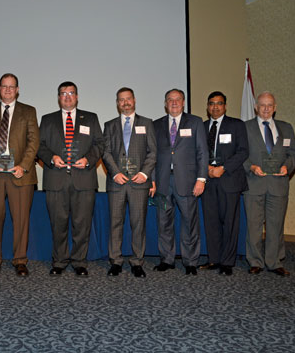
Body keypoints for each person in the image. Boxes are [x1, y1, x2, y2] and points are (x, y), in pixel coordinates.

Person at [38, 81, 104, 277]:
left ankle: (79, 262)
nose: (67, 97)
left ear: (77, 96)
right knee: (58, 224)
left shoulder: (90, 118)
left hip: (83, 179)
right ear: (59, 97)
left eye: (71, 93)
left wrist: (88, 160)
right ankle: (59, 262)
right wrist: (51, 158)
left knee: (81, 224)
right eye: (63, 93)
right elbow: (39, 146)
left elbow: (100, 144)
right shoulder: (48, 119)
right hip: (56, 180)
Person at [0, 73, 39, 277]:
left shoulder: (28, 112)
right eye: (4, 86)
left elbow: (33, 142)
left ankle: (20, 260)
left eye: (12, 87)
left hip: (20, 175)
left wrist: (24, 166)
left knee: (21, 220)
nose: (8, 90)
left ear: (18, 89)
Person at [102, 87, 157, 277]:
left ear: (134, 100)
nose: (125, 102)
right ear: (117, 103)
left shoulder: (147, 123)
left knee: (138, 223)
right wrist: (115, 173)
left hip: (139, 182)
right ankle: (115, 261)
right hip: (117, 182)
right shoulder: (109, 125)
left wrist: (144, 173)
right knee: (115, 223)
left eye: (128, 99)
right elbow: (106, 152)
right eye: (121, 100)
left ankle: (137, 262)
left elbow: (153, 152)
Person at [152, 89, 208, 275]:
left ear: (183, 102)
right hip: (163, 182)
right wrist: (152, 181)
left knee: (190, 222)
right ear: (165, 103)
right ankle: (166, 260)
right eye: (170, 100)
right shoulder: (156, 125)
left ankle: (190, 261)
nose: (174, 103)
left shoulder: (195, 122)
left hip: (188, 182)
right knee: (164, 222)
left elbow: (202, 152)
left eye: (177, 100)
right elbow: (151, 155)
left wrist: (201, 179)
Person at [243, 92, 295, 277]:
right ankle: (255, 261)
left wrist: (287, 167)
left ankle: (274, 262)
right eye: (262, 105)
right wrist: (251, 166)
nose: (266, 108)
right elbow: (239, 155)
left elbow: (294, 154)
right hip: (254, 184)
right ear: (256, 107)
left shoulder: (286, 128)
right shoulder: (246, 127)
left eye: (269, 105)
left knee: (276, 225)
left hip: (278, 184)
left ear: (275, 107)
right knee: (254, 225)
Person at [199, 91, 248, 276]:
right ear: (207, 106)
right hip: (208, 180)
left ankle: (227, 262)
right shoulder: (202, 126)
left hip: (229, 180)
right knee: (211, 222)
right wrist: (207, 169)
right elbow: (196, 152)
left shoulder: (236, 125)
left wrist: (223, 168)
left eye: (219, 103)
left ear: (225, 106)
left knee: (230, 222)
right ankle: (214, 259)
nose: (215, 107)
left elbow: (243, 151)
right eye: (211, 103)